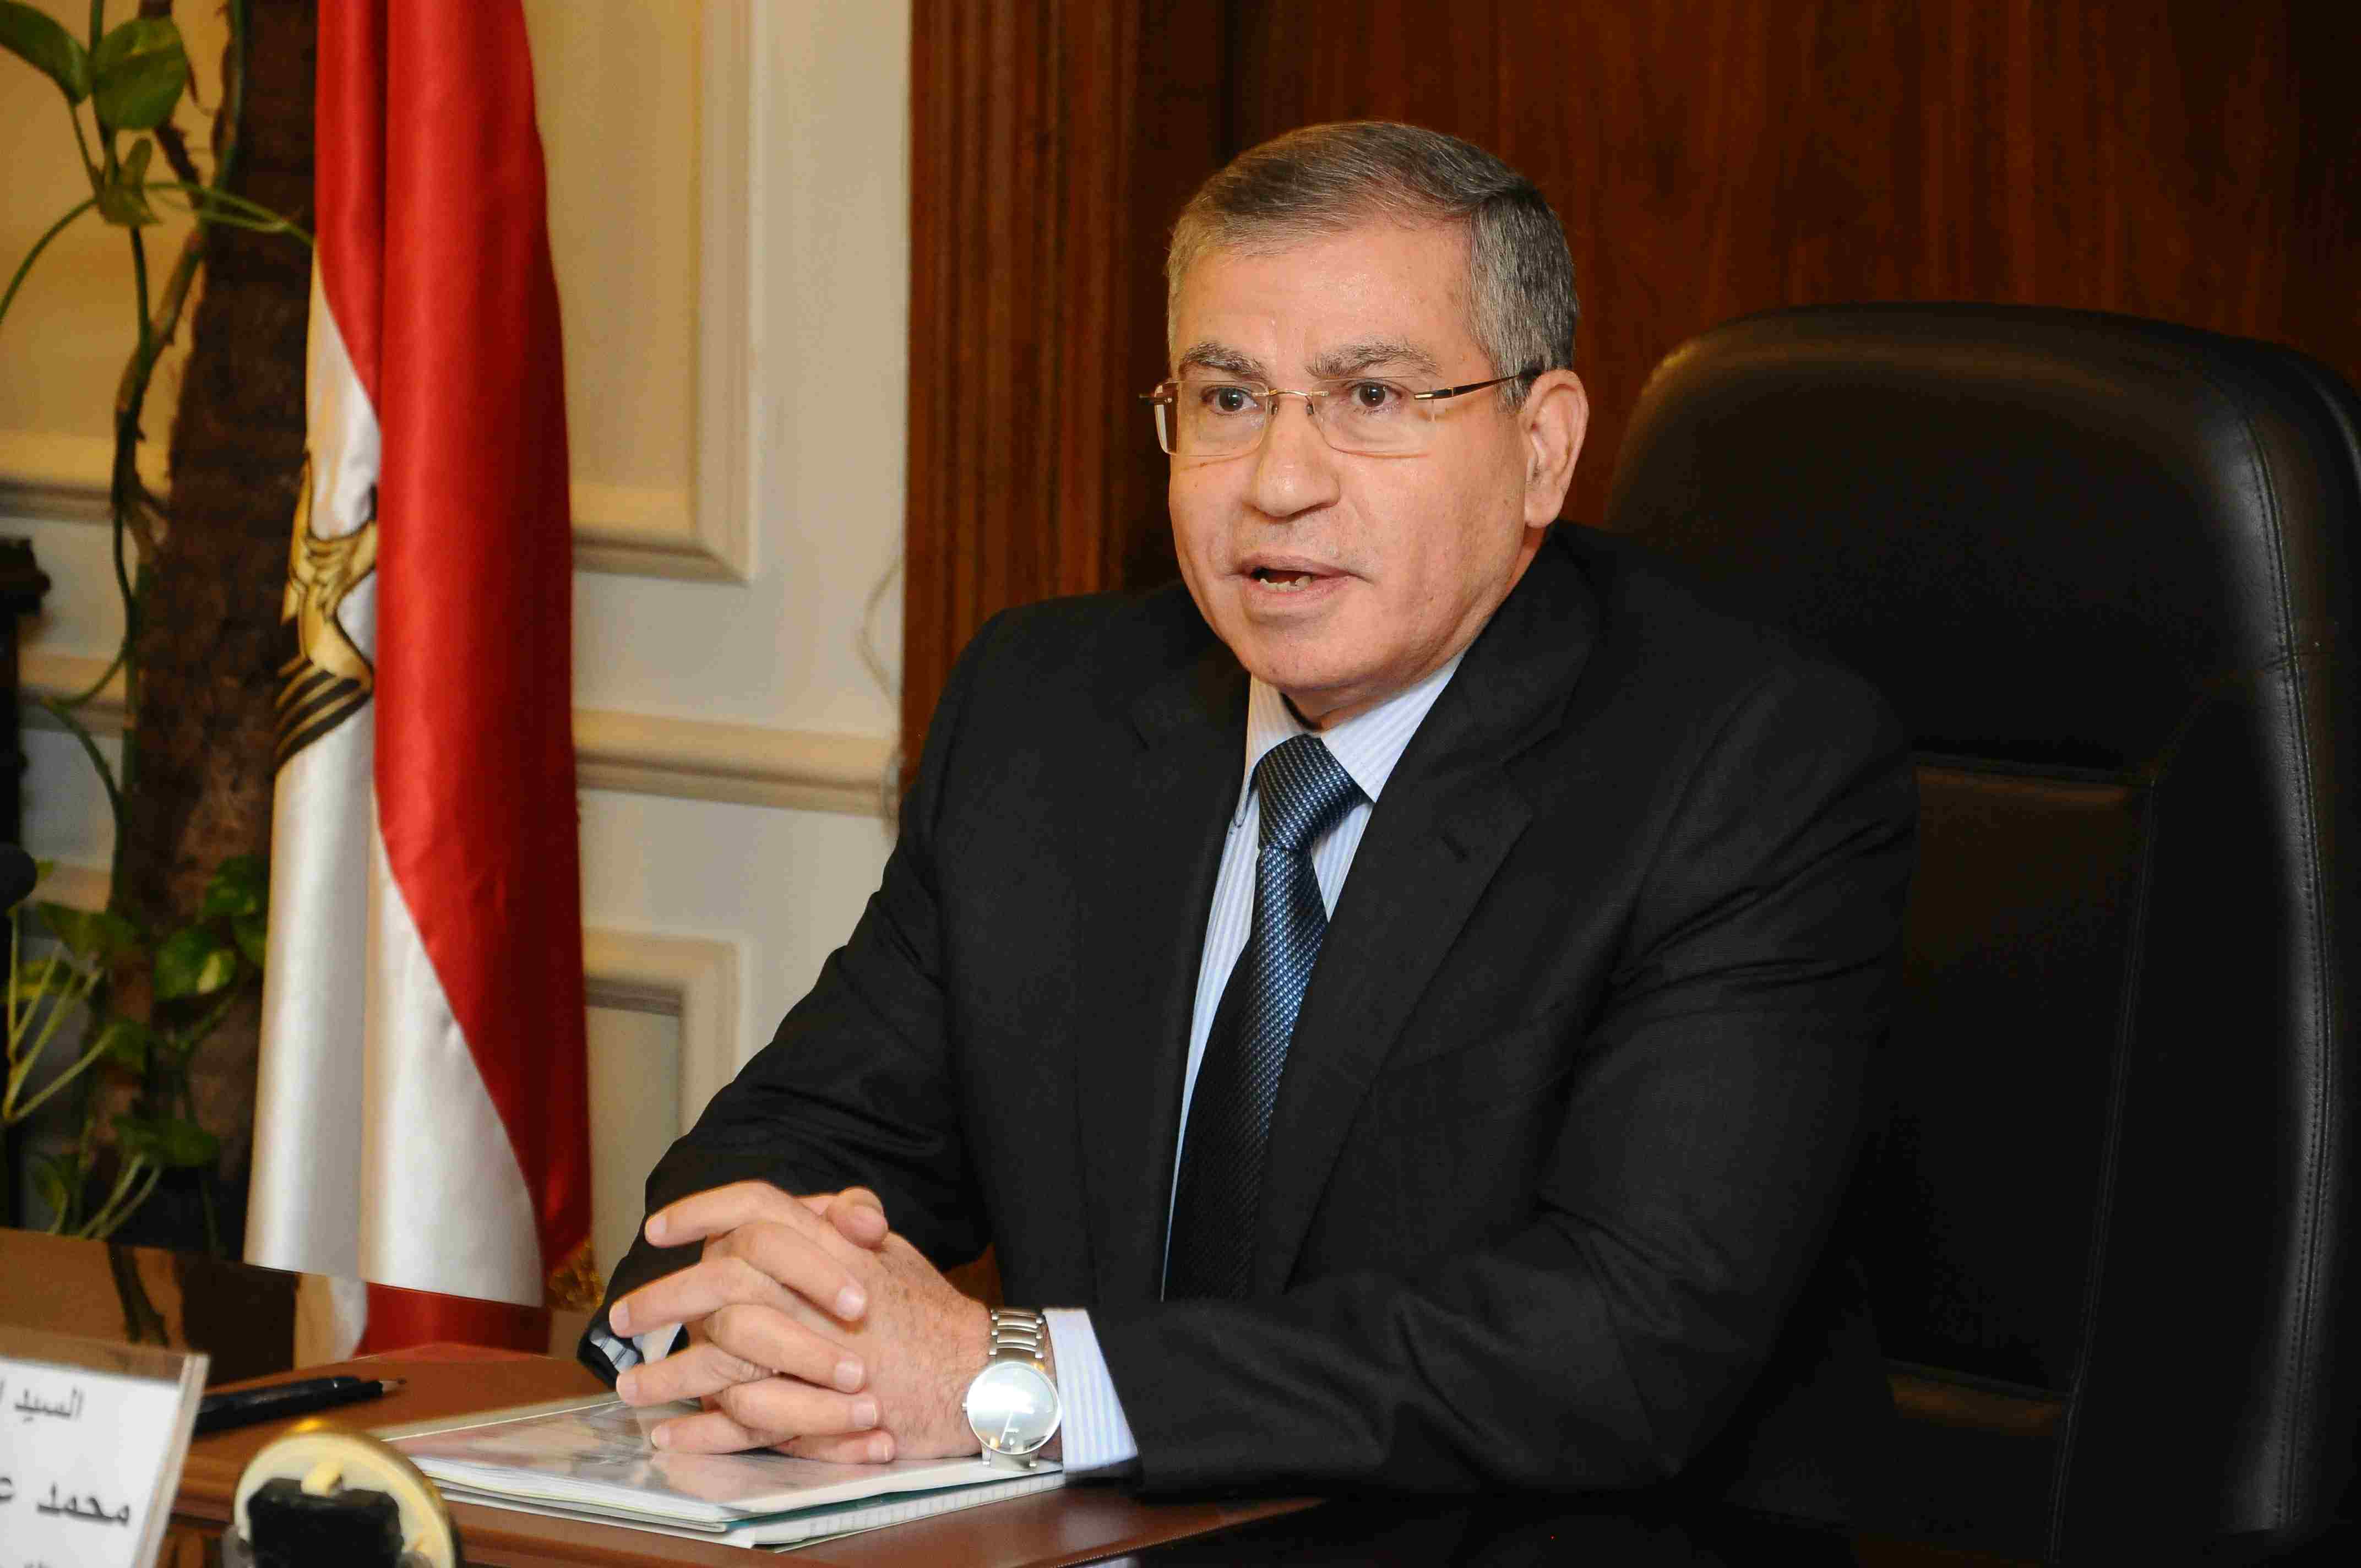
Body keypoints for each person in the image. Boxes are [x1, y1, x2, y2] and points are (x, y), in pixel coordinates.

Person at [581, 121, 1916, 1556]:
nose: (1280, 480)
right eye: (1227, 398)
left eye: (1371, 397)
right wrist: (750, 1316)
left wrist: (1012, 1380)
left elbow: (1622, 1342)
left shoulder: (1746, 765)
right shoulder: (1049, 711)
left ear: (1542, 450)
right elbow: (803, 1139)